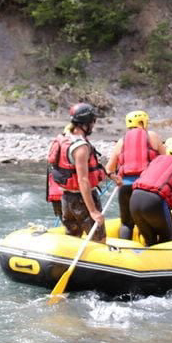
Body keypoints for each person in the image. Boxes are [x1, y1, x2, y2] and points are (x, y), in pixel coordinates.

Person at [47, 103, 109, 242]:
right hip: (82, 200)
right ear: (86, 123)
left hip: (66, 199)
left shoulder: (65, 138)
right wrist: (93, 211)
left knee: (72, 238)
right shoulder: (81, 147)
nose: (93, 125)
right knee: (99, 240)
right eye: (92, 122)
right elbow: (83, 180)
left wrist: (110, 174)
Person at [104, 110, 166, 240]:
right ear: (143, 122)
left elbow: (108, 169)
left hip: (125, 187)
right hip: (146, 189)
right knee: (150, 223)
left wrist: (116, 178)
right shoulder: (152, 136)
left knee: (126, 224)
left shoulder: (121, 141)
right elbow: (166, 161)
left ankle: (123, 252)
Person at [46, 123, 73, 218]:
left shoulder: (55, 145)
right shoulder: (75, 146)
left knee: (65, 219)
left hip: (55, 191)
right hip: (71, 193)